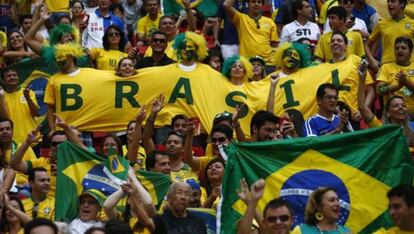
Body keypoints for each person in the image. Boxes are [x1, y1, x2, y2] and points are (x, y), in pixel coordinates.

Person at [358, 70, 414, 147]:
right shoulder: (382, 129)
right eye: (396, 106)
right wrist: (362, 80)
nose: (400, 107)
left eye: (403, 106)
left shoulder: (412, 127)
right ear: (388, 113)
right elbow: (362, 108)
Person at [223, 0, 278, 70]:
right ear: (248, 4)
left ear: (262, 4)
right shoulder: (241, 19)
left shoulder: (270, 22)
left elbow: (275, 46)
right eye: (253, 2)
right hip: (247, 63)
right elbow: (226, 5)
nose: (256, 4)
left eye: (259, 2)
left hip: (267, 63)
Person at [366, 0, 414, 72]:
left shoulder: (412, 23)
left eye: (392, 1)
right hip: (387, 69)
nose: (389, 4)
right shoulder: (381, 24)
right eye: (388, 2)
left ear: (401, 4)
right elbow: (367, 44)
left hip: (409, 69)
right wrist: (372, 60)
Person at [141, 182, 207, 233]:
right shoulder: (160, 221)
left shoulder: (198, 222)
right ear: (169, 197)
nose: (183, 197)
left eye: (187, 194)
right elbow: (148, 205)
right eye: (179, 193)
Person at [0, 67, 39, 144]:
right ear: (3, 80)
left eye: (14, 75)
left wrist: (28, 99)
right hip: (14, 142)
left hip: (32, 138)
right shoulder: (2, 96)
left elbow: (36, 113)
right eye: (9, 76)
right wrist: (1, 98)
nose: (12, 77)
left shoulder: (28, 92)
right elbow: (5, 119)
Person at [377, 37, 414, 114]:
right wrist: (398, 86)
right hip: (392, 114)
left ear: (410, 51)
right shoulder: (386, 67)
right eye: (397, 48)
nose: (399, 50)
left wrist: (406, 83)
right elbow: (380, 90)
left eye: (403, 48)